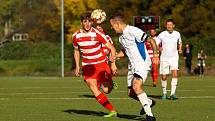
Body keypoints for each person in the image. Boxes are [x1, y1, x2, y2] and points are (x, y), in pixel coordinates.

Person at [110, 15, 158, 121]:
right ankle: (149, 102)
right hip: (132, 66)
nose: (112, 28)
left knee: (136, 87)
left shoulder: (133, 30)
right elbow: (124, 52)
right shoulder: (121, 37)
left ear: (117, 24)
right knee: (131, 93)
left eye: (112, 26)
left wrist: (155, 55)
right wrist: (115, 56)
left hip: (142, 63)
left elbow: (151, 40)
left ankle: (150, 116)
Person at [73, 12, 117, 117]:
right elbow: (76, 51)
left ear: (92, 22)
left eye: (89, 21)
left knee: (106, 90)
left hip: (101, 63)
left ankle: (110, 83)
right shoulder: (76, 36)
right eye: (85, 21)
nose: (87, 24)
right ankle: (112, 110)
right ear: (81, 23)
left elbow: (112, 48)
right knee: (93, 87)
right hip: (87, 66)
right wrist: (77, 66)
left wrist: (113, 64)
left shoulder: (97, 33)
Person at [157, 19, 182, 100]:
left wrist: (180, 48)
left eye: (170, 25)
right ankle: (164, 93)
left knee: (175, 74)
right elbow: (155, 43)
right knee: (164, 77)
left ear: (173, 25)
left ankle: (172, 94)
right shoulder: (162, 34)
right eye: (167, 24)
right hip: (164, 58)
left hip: (174, 57)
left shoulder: (177, 34)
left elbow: (180, 42)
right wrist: (158, 48)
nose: (169, 26)